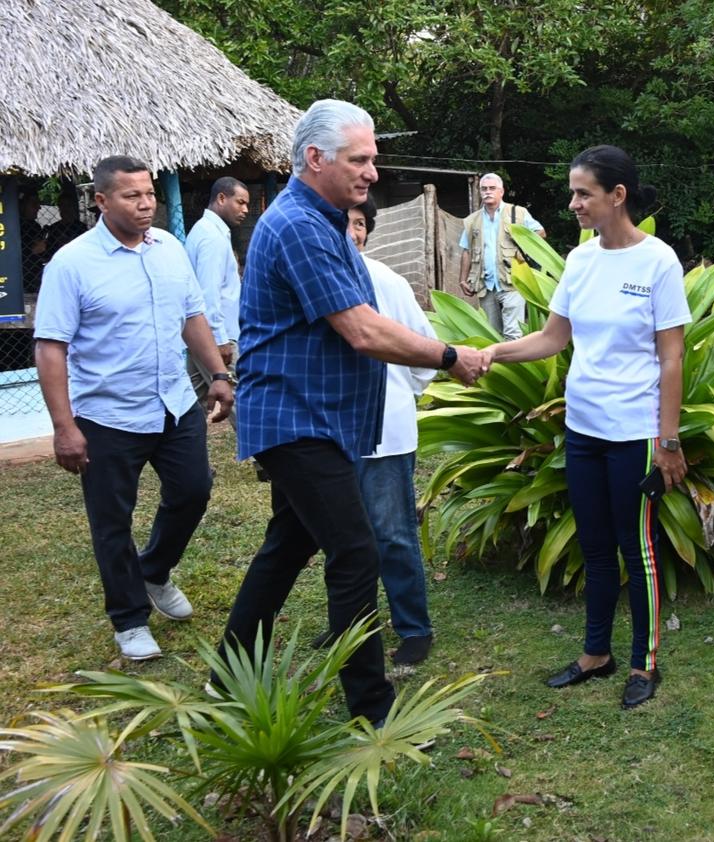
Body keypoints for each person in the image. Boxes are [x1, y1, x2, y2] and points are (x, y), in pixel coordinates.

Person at [216, 99, 488, 723]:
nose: (372, 171)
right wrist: (451, 355)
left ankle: (226, 675)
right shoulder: (299, 227)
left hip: (322, 416)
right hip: (297, 418)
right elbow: (363, 331)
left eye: (373, 158)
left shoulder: (326, 220)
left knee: (288, 545)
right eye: (359, 159)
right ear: (315, 159)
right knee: (356, 552)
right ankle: (372, 711)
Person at [485, 146, 690, 709]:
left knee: (637, 549)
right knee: (596, 546)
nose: (572, 203)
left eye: (583, 194)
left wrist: (668, 440)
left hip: (635, 432)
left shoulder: (659, 262)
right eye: (573, 193)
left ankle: (643, 663)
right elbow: (554, 338)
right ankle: (595, 653)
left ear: (616, 196)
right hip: (584, 428)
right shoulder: (580, 261)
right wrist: (493, 353)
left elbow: (671, 357)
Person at [34, 155, 234, 661]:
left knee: (193, 490)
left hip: (172, 401)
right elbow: (50, 346)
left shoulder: (170, 248)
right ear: (101, 201)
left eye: (148, 194)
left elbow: (192, 316)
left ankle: (153, 571)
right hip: (106, 414)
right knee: (111, 521)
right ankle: (128, 618)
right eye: (132, 196)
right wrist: (64, 426)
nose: (146, 205)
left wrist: (217, 374)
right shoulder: (72, 264)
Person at [311, 196, 436, 664]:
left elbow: (423, 346)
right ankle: (348, 625)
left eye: (360, 223)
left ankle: (413, 628)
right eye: (343, 223)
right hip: (330, 433)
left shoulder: (389, 281)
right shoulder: (314, 280)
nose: (352, 232)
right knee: (339, 535)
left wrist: (403, 395)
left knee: (394, 533)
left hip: (386, 430)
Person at [185, 177, 250, 411]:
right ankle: (257, 450)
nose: (245, 210)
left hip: (205, 334)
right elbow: (208, 293)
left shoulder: (211, 232)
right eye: (240, 202)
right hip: (217, 337)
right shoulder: (211, 238)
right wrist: (220, 340)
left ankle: (163, 443)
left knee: (188, 403)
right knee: (239, 405)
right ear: (222, 198)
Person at [458, 173, 545, 341]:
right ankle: (498, 366)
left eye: (492, 188)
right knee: (492, 333)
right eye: (484, 189)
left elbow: (540, 232)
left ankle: (516, 366)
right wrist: (463, 279)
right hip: (486, 284)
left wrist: (524, 250)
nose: (487, 192)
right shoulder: (472, 220)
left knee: (513, 333)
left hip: (512, 280)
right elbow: (466, 250)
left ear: (501, 192)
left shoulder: (517, 213)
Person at [18, 187, 47, 294]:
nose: (38, 207)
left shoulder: (35, 226)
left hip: (34, 278)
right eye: (34, 204)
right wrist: (31, 251)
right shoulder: (11, 225)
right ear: (22, 205)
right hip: (18, 276)